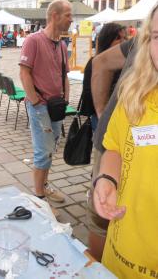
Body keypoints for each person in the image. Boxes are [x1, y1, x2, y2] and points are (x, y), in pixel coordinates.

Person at [93, 4, 158, 278]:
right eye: (157, 35)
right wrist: (107, 179)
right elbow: (116, 147)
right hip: (117, 257)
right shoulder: (136, 94)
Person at [87, 35, 138, 261]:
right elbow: (100, 62)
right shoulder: (141, 45)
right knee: (102, 218)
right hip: (114, 142)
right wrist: (101, 112)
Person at [19, 0, 72, 205]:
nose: (71, 19)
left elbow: (64, 75)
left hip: (57, 107)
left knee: (51, 149)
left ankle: (45, 185)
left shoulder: (61, 44)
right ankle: (39, 199)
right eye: (67, 14)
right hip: (40, 106)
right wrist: (35, 101)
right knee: (43, 152)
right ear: (54, 16)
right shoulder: (33, 40)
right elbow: (24, 73)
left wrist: (65, 100)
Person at [80, 23, 127, 131]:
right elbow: (89, 94)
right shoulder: (95, 63)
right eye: (118, 38)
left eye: (124, 37)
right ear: (107, 40)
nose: (123, 41)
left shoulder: (127, 63)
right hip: (103, 117)